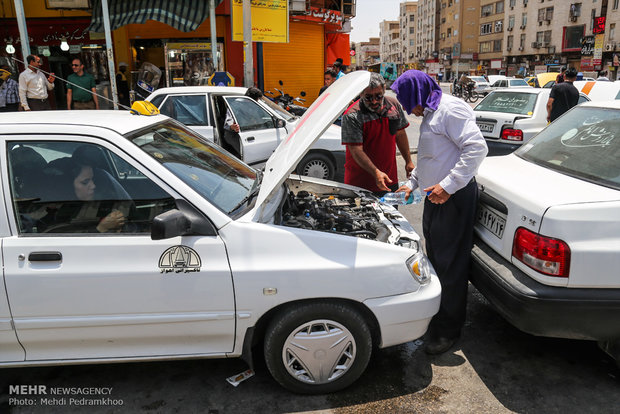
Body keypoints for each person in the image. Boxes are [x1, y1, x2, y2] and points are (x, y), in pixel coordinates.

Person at [390, 70, 488, 355]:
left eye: (410, 102)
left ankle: (448, 331)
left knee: (451, 266)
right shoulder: (431, 114)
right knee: (435, 261)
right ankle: (436, 318)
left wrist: (448, 186)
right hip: (434, 197)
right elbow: (430, 159)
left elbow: (476, 148)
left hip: (453, 198)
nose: (409, 109)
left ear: (420, 93)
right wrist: (411, 184)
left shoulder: (450, 109)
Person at [340, 73, 414, 196]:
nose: (374, 101)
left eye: (378, 96)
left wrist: (408, 161)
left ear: (384, 90)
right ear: (361, 93)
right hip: (360, 184)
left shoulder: (394, 105)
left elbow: (400, 134)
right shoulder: (351, 115)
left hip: (389, 180)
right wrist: (376, 172)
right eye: (368, 97)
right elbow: (356, 150)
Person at [38, 157, 126, 233]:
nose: (93, 186)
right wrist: (101, 228)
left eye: (92, 180)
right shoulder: (48, 216)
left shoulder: (95, 206)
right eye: (85, 182)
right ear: (68, 186)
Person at [223, 87, 263, 156]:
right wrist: (232, 127)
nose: (257, 102)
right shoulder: (235, 105)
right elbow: (227, 123)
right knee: (247, 155)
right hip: (234, 135)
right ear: (250, 99)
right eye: (257, 100)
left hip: (248, 132)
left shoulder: (251, 105)